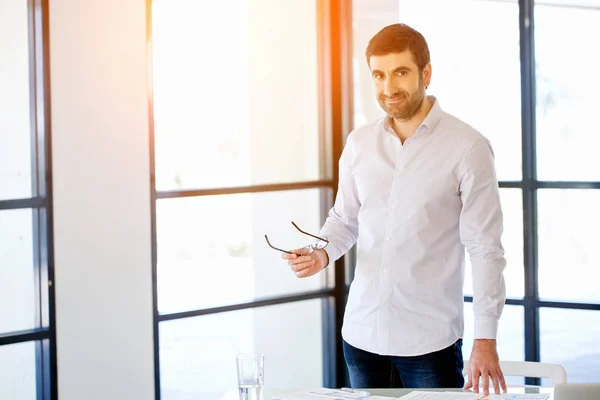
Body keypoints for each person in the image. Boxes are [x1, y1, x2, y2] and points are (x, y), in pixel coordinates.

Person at [282, 23, 507, 396]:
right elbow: (344, 221)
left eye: (400, 72)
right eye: (379, 75)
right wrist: (322, 253)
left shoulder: (468, 148)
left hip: (428, 343)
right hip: (360, 336)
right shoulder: (359, 143)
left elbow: (486, 249)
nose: (388, 89)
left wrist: (486, 340)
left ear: (426, 73)